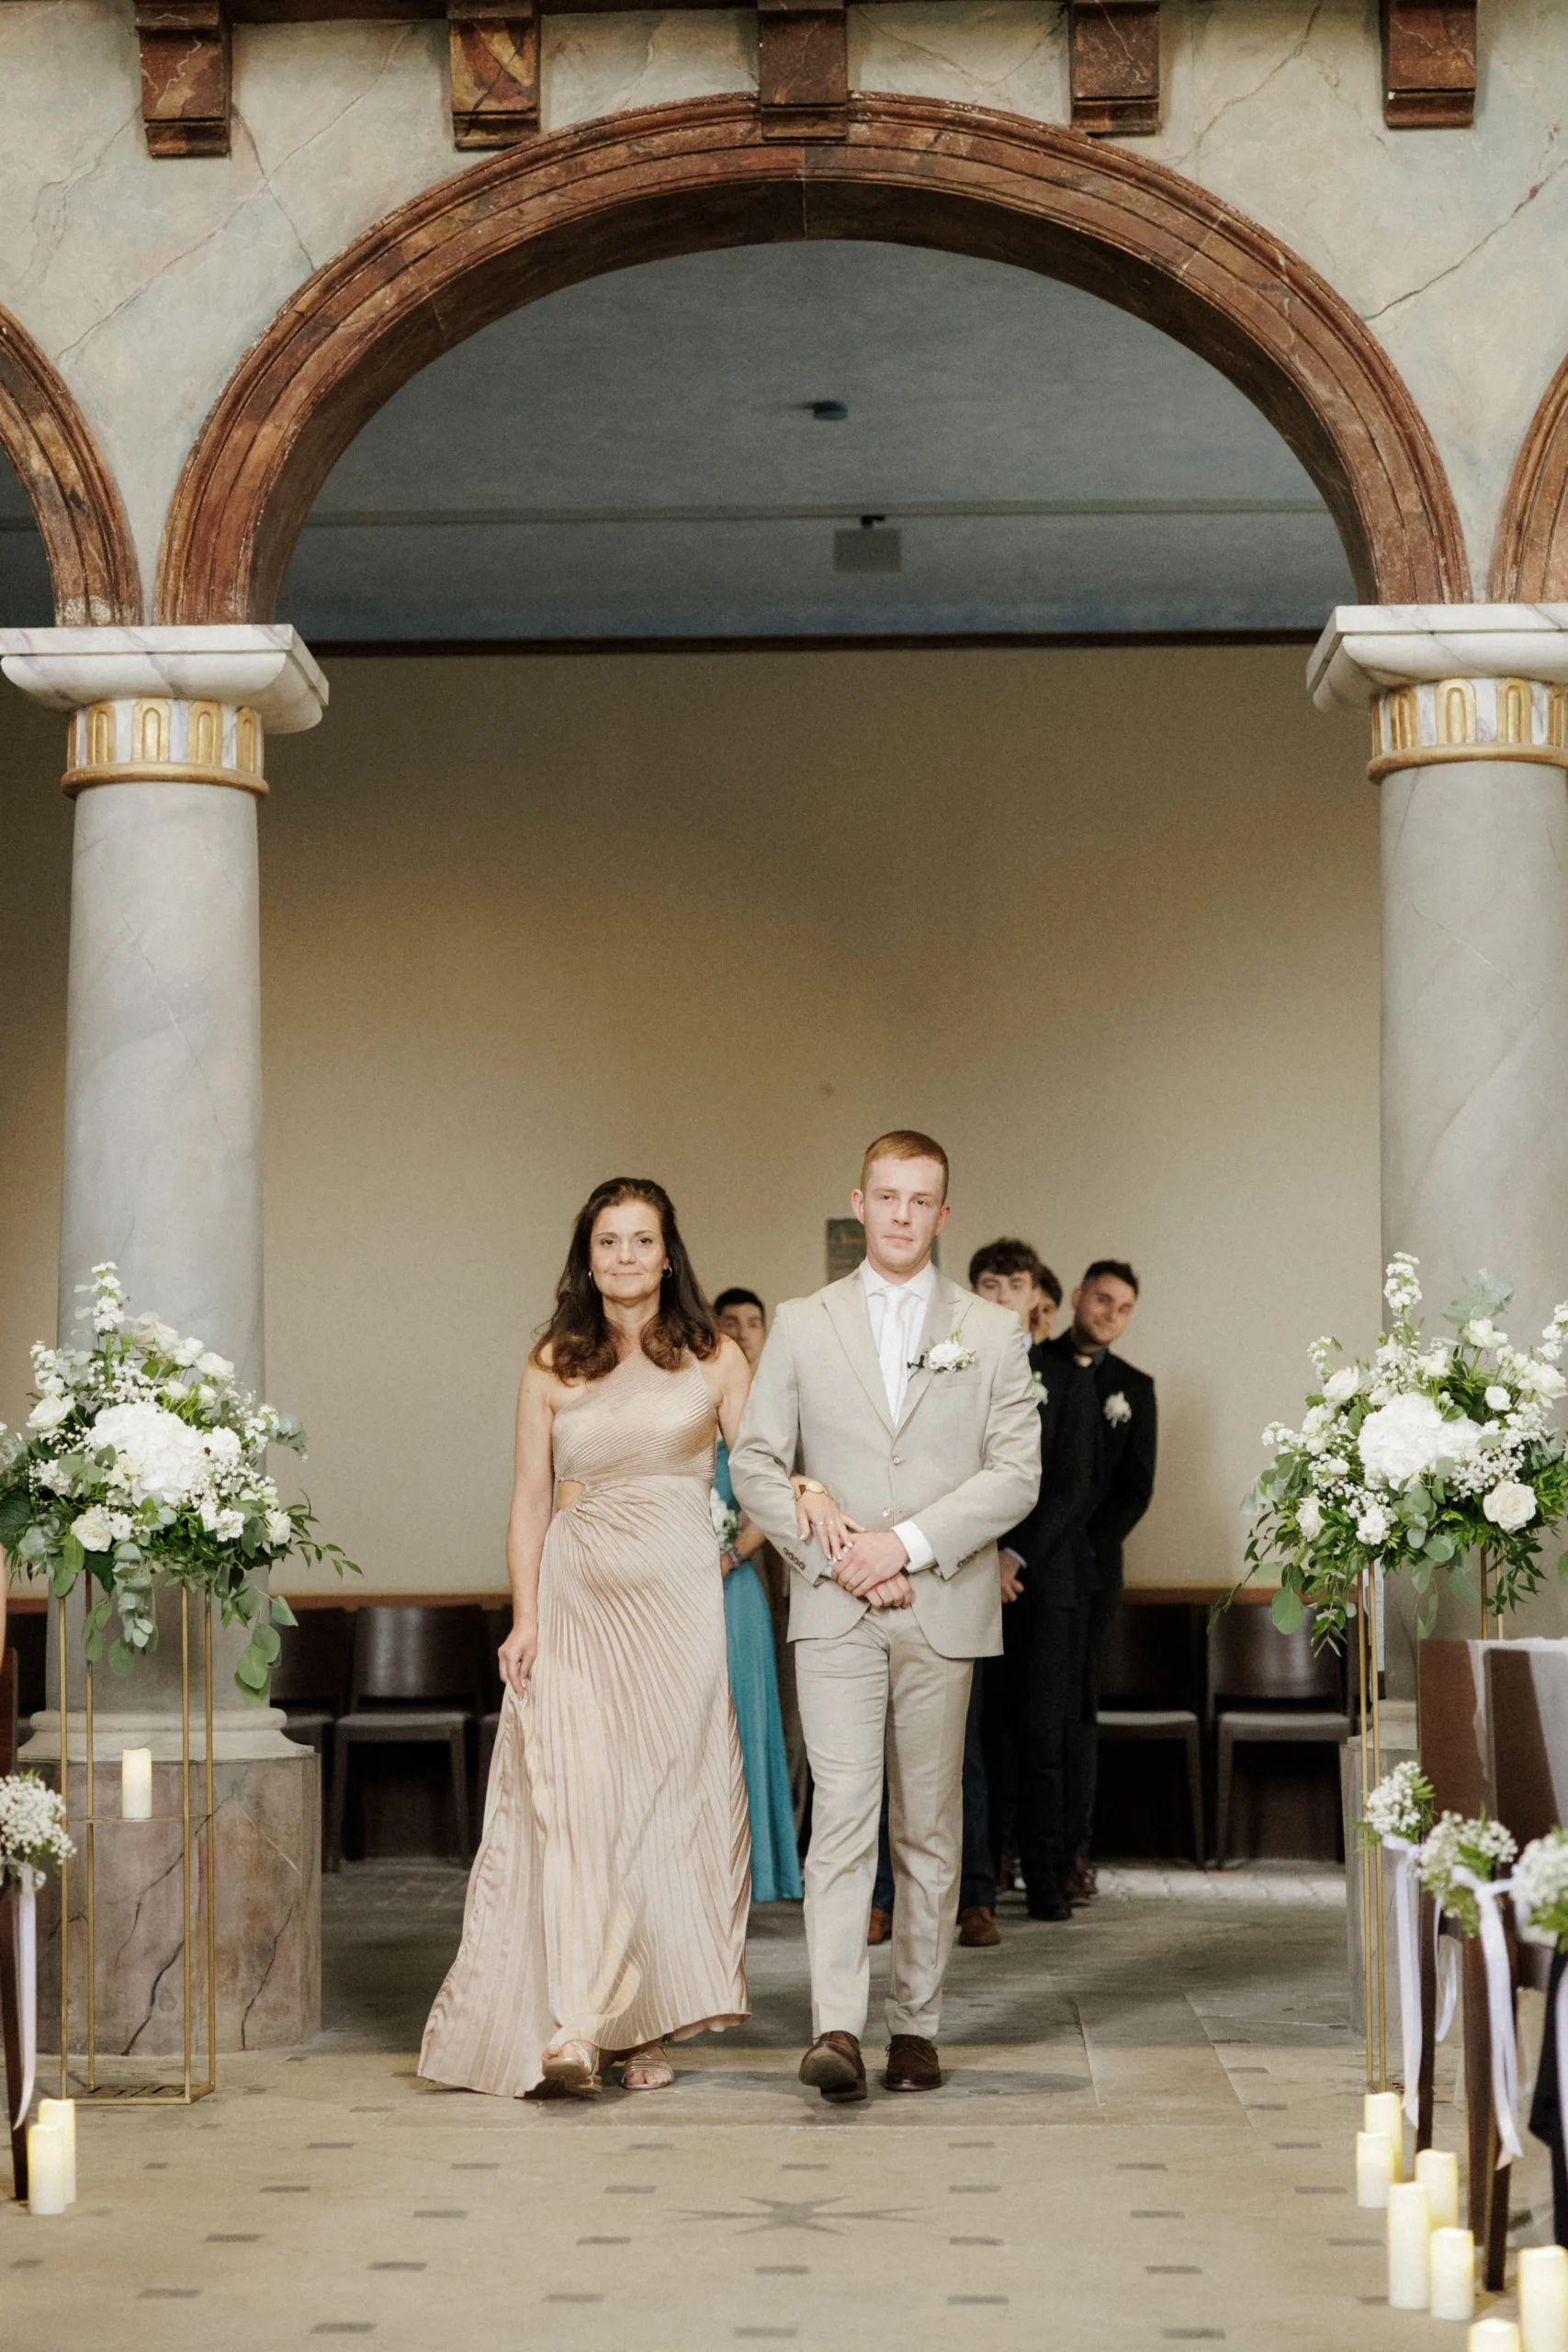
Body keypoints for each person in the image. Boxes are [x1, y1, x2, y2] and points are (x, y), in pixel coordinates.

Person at [420, 1178, 753, 2101]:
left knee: (660, 1809)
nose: (625, 1257)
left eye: (641, 1240)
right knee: (577, 1806)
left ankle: (644, 2022)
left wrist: (812, 1505)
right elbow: (529, 1503)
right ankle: (577, 2023)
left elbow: (763, 1472)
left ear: (668, 1255)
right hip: (575, 1604)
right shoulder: (551, 1363)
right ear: (588, 1257)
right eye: (609, 1242)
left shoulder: (715, 1356)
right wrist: (525, 1617)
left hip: (679, 1607)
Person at [730, 1131, 1041, 2102]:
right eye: (887, 1196)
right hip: (834, 1608)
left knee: (929, 1827)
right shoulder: (802, 1321)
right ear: (859, 1203)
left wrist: (900, 1546)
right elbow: (754, 1461)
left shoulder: (991, 1330)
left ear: (942, 1216)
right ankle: (836, 2027)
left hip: (941, 1605)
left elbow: (1016, 1475)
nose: (902, 1214)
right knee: (841, 1821)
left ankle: (916, 2025)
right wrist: (840, 1554)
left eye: (921, 1200)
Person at [1039, 1260, 1157, 1906]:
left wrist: (1079, 1546)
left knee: (1076, 1713)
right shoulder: (1034, 1364)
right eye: (1103, 1299)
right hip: (1022, 1568)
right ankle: (1014, 1847)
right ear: (1078, 1296)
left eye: (1124, 1307)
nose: (1111, 1314)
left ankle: (1072, 1850)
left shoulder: (1134, 1388)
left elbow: (1134, 1490)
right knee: (1021, 1712)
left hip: (1089, 1571)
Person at [712, 1288, 803, 1905]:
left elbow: (782, 1495)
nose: (743, 1333)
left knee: (758, 1719)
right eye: (730, 1323)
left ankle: (760, 1861)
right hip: (681, 1587)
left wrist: (729, 1552)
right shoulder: (694, 1400)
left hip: (746, 1576)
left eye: (753, 1323)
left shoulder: (776, 1405)